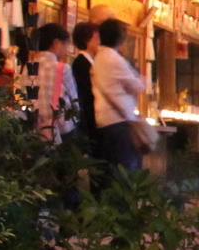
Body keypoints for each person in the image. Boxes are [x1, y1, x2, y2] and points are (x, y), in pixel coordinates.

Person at [91, 17, 149, 174]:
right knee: (126, 170)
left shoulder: (98, 57)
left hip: (104, 121)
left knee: (112, 171)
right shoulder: (115, 59)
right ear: (120, 38)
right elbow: (137, 85)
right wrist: (140, 76)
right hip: (120, 121)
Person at [24, 23, 79, 143]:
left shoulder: (28, 67)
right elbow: (74, 102)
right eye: (66, 44)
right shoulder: (63, 69)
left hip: (35, 131)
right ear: (56, 43)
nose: (66, 49)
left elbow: (23, 99)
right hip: (60, 130)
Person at [68, 21, 101, 153]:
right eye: (97, 38)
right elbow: (86, 94)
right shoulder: (81, 63)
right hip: (89, 119)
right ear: (87, 40)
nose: (100, 42)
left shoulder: (91, 62)